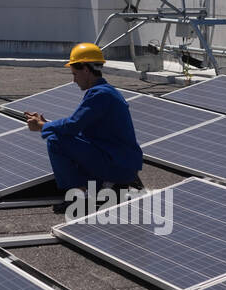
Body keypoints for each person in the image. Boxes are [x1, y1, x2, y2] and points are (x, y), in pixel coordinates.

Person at [25, 44, 144, 210]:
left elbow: (73, 125)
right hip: (121, 163)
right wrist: (48, 125)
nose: (74, 80)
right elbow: (77, 127)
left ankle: (79, 196)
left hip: (118, 165)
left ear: (86, 70)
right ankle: (109, 184)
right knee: (63, 136)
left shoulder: (99, 94)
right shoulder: (107, 91)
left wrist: (43, 126)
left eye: (75, 74)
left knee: (55, 140)